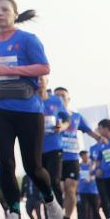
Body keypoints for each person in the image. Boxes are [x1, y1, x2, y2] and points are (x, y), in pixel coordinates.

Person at [0, 0, 62, 219]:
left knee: (33, 167)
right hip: (0, 108)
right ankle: (14, 215)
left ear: (15, 14)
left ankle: (50, 200)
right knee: (5, 162)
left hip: (28, 110)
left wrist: (12, 70)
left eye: (5, 10)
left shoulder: (28, 39)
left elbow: (44, 67)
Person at [52, 86, 100, 219]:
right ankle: (55, 218)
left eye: (62, 95)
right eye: (57, 95)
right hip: (55, 155)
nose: (60, 98)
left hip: (72, 156)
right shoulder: (51, 114)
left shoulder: (76, 116)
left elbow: (89, 131)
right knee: (58, 188)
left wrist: (101, 138)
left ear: (68, 99)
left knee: (70, 188)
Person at [38, 78, 69, 210]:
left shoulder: (56, 101)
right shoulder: (29, 100)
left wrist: (61, 127)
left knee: (55, 181)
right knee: (43, 183)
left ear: (47, 81)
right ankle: (49, 214)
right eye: (36, 79)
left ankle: (60, 214)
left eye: (41, 79)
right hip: (36, 148)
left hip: (54, 147)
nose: (39, 82)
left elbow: (67, 119)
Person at [76, 150, 102, 219]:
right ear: (81, 156)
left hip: (93, 191)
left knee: (95, 209)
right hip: (82, 191)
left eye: (87, 155)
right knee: (83, 209)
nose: (86, 157)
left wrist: (91, 178)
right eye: (84, 155)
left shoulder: (92, 165)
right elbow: (76, 179)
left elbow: (95, 174)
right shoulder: (78, 166)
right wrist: (76, 190)